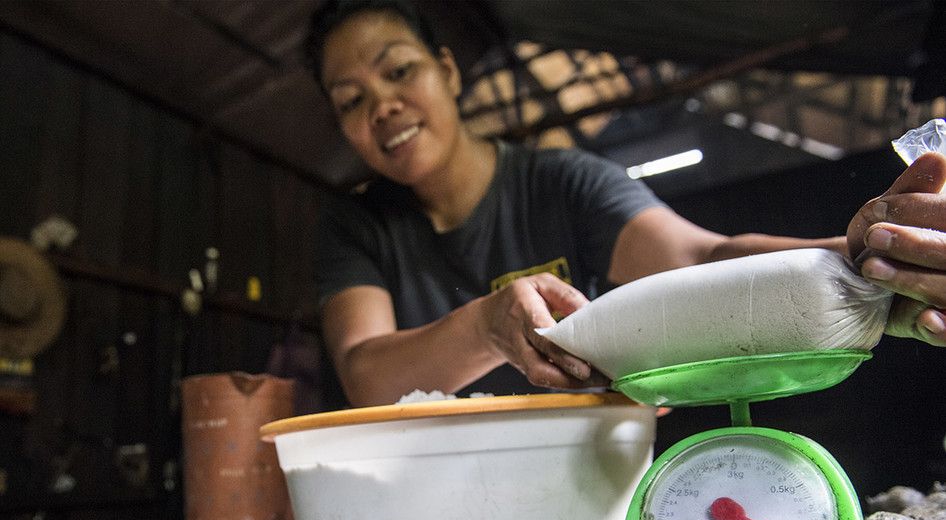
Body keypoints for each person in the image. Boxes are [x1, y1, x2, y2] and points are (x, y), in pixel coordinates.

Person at [307, 0, 946, 409]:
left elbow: (701, 254)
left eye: (398, 72)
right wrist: (484, 325)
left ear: (446, 70)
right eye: (349, 100)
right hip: (429, 492)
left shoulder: (564, 183)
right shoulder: (357, 224)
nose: (381, 106)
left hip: (583, 469)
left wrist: (862, 254)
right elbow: (367, 376)